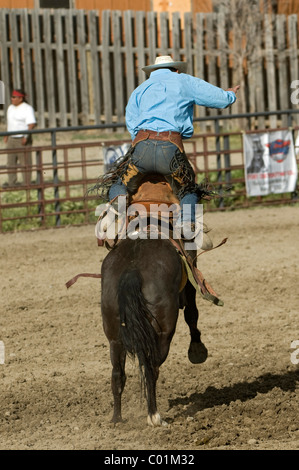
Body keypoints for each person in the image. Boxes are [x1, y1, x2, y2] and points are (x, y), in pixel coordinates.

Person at [107, 55, 239, 244]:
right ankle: (187, 222)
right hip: (170, 151)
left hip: (141, 149)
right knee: (189, 189)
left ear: (153, 72)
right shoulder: (183, 81)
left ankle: (116, 212)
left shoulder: (140, 89)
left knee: (119, 183)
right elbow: (218, 99)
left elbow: (132, 123)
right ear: (176, 69)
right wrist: (230, 95)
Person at [2, 89, 36, 187]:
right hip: (11, 138)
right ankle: (11, 182)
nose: (12, 99)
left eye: (14, 97)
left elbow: (31, 124)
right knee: (10, 161)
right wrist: (6, 134)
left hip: (21, 137)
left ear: (20, 98)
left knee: (25, 161)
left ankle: (26, 183)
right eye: (12, 97)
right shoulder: (10, 108)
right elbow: (10, 123)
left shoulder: (27, 108)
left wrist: (26, 136)